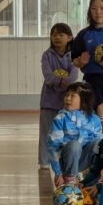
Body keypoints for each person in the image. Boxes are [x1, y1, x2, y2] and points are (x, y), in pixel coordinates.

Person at [39, 22, 79, 171]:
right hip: (48, 101)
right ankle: (44, 161)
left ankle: (65, 159)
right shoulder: (47, 55)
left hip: (67, 101)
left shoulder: (73, 55)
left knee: (67, 132)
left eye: (61, 35)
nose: (57, 37)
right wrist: (60, 81)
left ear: (69, 37)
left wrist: (65, 83)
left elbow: (73, 76)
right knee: (46, 132)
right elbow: (48, 76)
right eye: (54, 34)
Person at [47, 81, 102, 188]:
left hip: (84, 161)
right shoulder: (60, 118)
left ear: (84, 100)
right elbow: (53, 147)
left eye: (72, 96)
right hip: (67, 161)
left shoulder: (94, 119)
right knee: (74, 145)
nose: (68, 98)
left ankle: (94, 178)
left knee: (100, 143)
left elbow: (100, 145)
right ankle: (70, 178)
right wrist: (58, 173)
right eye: (67, 95)